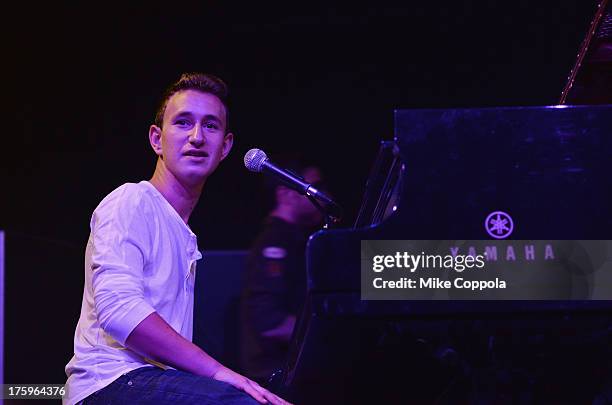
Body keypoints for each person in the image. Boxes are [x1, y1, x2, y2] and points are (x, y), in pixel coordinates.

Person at [64, 73, 290, 405]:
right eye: (183, 123)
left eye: (210, 126)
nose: (197, 137)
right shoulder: (131, 200)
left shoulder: (183, 232)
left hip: (152, 383)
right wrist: (221, 373)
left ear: (225, 147)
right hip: (108, 384)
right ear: (157, 139)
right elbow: (119, 311)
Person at [241, 165, 325, 384]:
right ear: (285, 194)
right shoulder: (274, 243)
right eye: (313, 188)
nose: (322, 195)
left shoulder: (298, 239)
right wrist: (329, 338)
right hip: (274, 375)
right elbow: (269, 322)